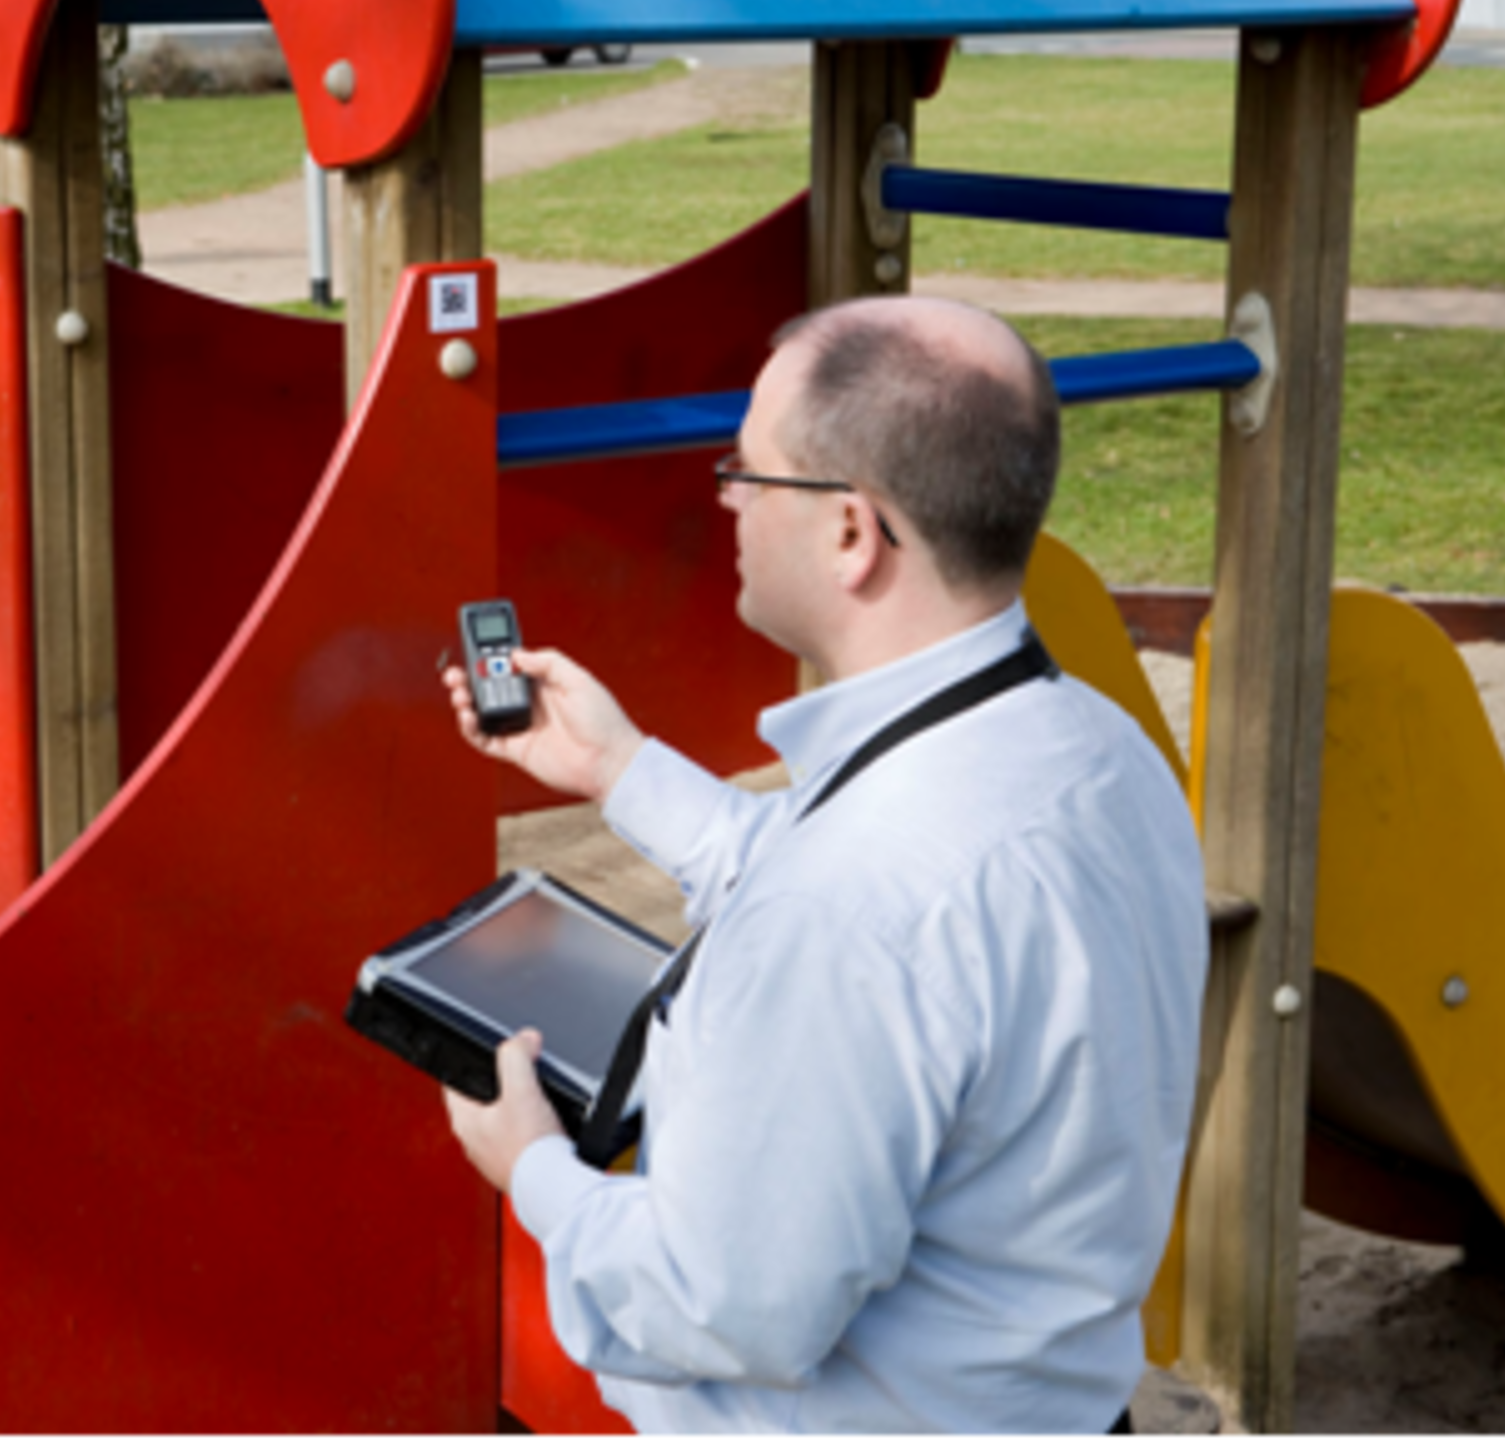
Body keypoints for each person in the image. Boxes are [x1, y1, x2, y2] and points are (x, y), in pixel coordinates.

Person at [440, 296, 1207, 1435]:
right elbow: (892, 906)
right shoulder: (1100, 750)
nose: (728, 498)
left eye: (748, 469)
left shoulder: (853, 905)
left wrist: (538, 1170)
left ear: (852, 531)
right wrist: (621, 767)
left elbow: (728, 1304)